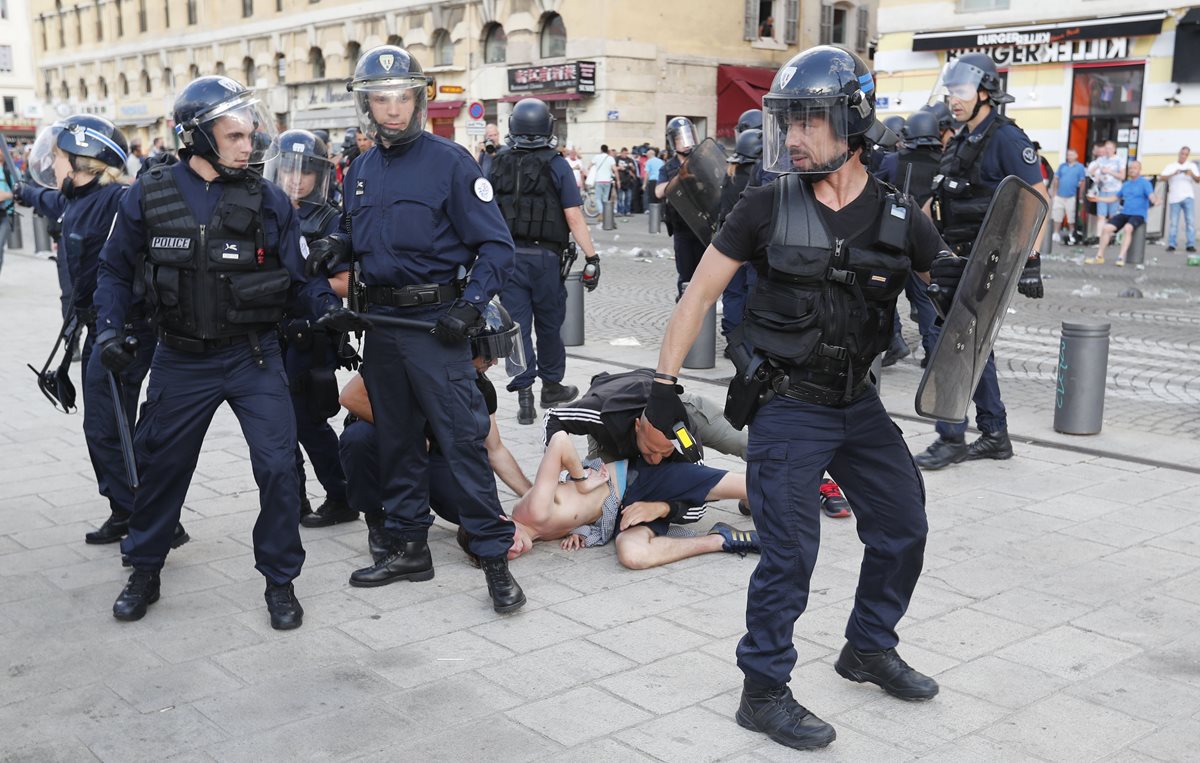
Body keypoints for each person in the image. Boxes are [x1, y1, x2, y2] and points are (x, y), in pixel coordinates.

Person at [646, 46, 945, 751]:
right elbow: (699, 296)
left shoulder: (900, 217)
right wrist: (663, 390)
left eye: (809, 121)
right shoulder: (764, 203)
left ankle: (868, 646)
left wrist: (991, 276)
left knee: (904, 525)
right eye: (789, 122)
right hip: (787, 403)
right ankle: (763, 689)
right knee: (790, 550)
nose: (796, 137)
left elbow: (950, 286)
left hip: (859, 403)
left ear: (853, 121)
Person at [94, 75, 342, 630]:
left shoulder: (268, 198)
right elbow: (113, 270)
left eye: (250, 135)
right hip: (180, 360)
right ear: (197, 137)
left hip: (253, 357)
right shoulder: (148, 194)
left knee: (279, 468)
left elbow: (301, 276)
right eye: (234, 136)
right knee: (162, 466)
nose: (247, 145)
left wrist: (326, 306)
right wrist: (109, 330)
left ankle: (280, 581)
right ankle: (145, 567)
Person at [306, 45, 526, 614]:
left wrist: (472, 306)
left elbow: (496, 245)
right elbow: (360, 234)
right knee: (397, 442)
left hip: (437, 327)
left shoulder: (451, 162)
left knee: (461, 442)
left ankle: (495, 561)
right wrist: (338, 243)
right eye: (381, 100)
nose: (393, 110)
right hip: (380, 327)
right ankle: (409, 550)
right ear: (367, 106)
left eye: (403, 98)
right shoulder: (360, 168)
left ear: (420, 100)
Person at [21, 115, 190, 552]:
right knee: (106, 427)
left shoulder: (117, 199)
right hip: (100, 330)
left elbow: (153, 206)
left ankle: (153, 521)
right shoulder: (76, 199)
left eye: (58, 158)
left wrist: (164, 173)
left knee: (108, 428)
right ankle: (124, 508)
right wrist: (18, 191)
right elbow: (47, 200)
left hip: (125, 335)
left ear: (84, 161)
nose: (52, 166)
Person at [916, 52, 1049, 471]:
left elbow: (1038, 197)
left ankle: (952, 436)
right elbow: (939, 199)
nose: (954, 99)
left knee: (953, 341)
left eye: (961, 91)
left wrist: (1031, 259)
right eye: (950, 91)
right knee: (973, 346)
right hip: (957, 256)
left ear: (985, 92)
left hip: (987, 257)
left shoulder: (1006, 138)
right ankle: (995, 434)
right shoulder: (959, 139)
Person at [337, 300, 534, 564]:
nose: (495, 362)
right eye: (489, 354)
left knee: (469, 511)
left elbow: (495, 450)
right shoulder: (406, 359)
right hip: (389, 441)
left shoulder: (479, 387)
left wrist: (533, 496)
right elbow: (350, 397)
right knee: (357, 439)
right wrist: (411, 434)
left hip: (435, 455)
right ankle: (377, 519)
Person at [264, 129, 356, 527]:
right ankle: (295, 499)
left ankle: (341, 495)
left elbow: (348, 282)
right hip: (268, 332)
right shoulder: (263, 210)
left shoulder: (330, 219)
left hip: (310, 332)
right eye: (288, 170)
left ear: (319, 176)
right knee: (275, 424)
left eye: (304, 172)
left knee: (307, 422)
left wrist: (299, 283)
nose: (295, 179)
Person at [489, 97, 598, 424]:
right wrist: (592, 256)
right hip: (547, 259)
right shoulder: (558, 164)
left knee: (516, 326)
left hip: (509, 258)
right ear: (548, 127)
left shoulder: (496, 162)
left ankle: (524, 396)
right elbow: (573, 215)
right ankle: (551, 387)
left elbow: (482, 211)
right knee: (550, 325)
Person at [515, 430, 760, 570]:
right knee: (633, 555)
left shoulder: (532, 512)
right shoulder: (533, 532)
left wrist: (581, 479)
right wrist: (581, 530)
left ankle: (776, 492)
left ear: (502, 519)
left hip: (638, 479)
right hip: (627, 512)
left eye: (505, 540)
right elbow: (572, 510)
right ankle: (721, 539)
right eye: (505, 554)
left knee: (753, 487)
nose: (512, 549)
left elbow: (559, 440)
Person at [883, 110, 943, 368]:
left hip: (894, 238)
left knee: (883, 293)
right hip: (927, 240)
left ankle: (894, 337)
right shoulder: (943, 162)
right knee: (925, 298)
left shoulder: (893, 160)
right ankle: (933, 352)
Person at [719, 128, 762, 343]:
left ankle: (733, 340)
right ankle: (749, 340)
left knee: (733, 293)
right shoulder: (760, 177)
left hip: (730, 244)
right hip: (754, 245)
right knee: (752, 292)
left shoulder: (730, 174)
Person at [656, 118, 708, 296]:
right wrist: (679, 177)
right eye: (680, 139)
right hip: (681, 227)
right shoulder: (669, 167)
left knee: (704, 272)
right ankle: (683, 306)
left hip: (703, 226)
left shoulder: (701, 161)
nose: (686, 143)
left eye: (688, 137)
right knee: (685, 273)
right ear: (672, 142)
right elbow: (658, 192)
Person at [1090, 160, 1158, 267]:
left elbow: (1151, 196)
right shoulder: (1126, 184)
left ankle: (1121, 257)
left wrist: (1155, 200)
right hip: (1125, 213)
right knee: (1106, 228)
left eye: (1135, 168)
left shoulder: (1145, 183)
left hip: (1138, 214)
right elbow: (1115, 197)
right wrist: (1098, 199)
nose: (1132, 170)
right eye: (1130, 168)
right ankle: (1099, 256)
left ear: (1139, 170)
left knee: (1128, 228)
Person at [1160, 146, 1198, 253]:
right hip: (1174, 198)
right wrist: (1174, 173)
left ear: (1188, 155)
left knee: (1190, 221)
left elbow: (1198, 180)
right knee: (1174, 222)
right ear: (1179, 154)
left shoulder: (1191, 166)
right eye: (1182, 154)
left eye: (1186, 154)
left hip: (1188, 196)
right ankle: (1172, 244)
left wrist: (1192, 174)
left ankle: (1190, 244)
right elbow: (1161, 177)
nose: (1183, 156)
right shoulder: (1171, 166)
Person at [1051, 149, 1087, 245]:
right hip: (1059, 195)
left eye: (1071, 155)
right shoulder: (1062, 166)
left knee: (1071, 216)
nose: (1069, 157)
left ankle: (1072, 233)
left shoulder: (1080, 167)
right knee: (1057, 215)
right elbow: (1056, 179)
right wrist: (1054, 193)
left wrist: (1080, 196)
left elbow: (1082, 182)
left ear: (1076, 156)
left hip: (1072, 196)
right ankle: (1056, 233)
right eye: (1068, 155)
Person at [1086, 140, 1124, 233]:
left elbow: (1122, 176)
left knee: (1112, 215)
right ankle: (1099, 237)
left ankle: (1110, 236)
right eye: (1106, 148)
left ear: (1114, 149)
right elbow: (1090, 172)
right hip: (1102, 190)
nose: (1107, 150)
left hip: (1115, 190)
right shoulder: (1101, 160)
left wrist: (1109, 171)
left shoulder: (1119, 160)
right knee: (1101, 216)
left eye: (1110, 148)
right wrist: (1095, 173)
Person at [589, 144, 617, 219]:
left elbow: (590, 165)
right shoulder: (610, 158)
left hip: (599, 180)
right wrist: (618, 180)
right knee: (605, 198)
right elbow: (615, 169)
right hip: (607, 181)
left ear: (601, 150)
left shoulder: (597, 157)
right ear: (607, 150)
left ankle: (601, 212)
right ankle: (605, 213)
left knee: (598, 198)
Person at [616, 147, 639, 216]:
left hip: (628, 181)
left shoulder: (630, 160)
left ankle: (627, 211)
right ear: (621, 153)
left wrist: (632, 167)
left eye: (626, 153)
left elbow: (634, 169)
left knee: (628, 197)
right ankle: (620, 211)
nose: (625, 155)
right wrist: (620, 168)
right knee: (619, 198)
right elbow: (614, 168)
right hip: (620, 180)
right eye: (624, 153)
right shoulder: (617, 159)